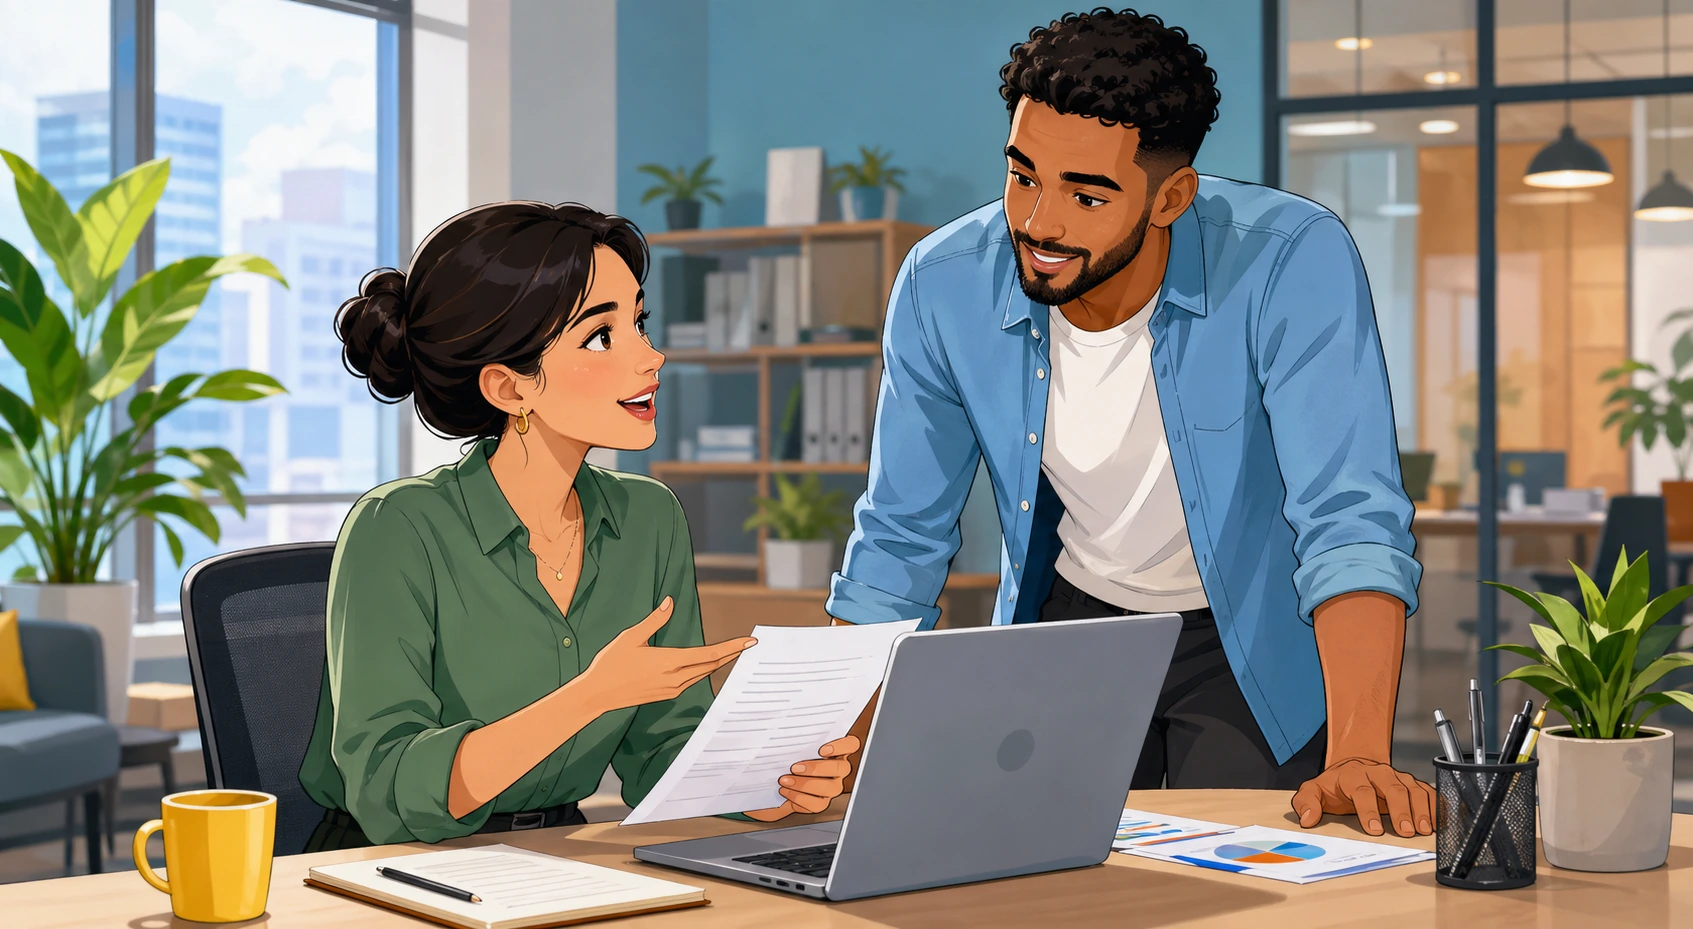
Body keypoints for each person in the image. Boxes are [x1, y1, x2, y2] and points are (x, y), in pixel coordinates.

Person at [826, 9, 1431, 839]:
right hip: (1072, 623)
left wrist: (1361, 749)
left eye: (1086, 193)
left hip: (1245, 640)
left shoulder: (1289, 259)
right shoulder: (943, 284)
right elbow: (899, 537)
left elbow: (1348, 518)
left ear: (1171, 197)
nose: (1038, 222)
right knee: (1048, 868)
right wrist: (834, 737)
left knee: (1241, 872)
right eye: (1022, 174)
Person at [298, 202, 857, 850]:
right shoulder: (396, 528)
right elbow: (390, 789)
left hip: (567, 854)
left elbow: (662, 750)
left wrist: (766, 788)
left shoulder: (649, 519)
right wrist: (590, 695)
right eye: (601, 336)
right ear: (510, 388)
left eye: (640, 323)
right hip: (388, 867)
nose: (653, 357)